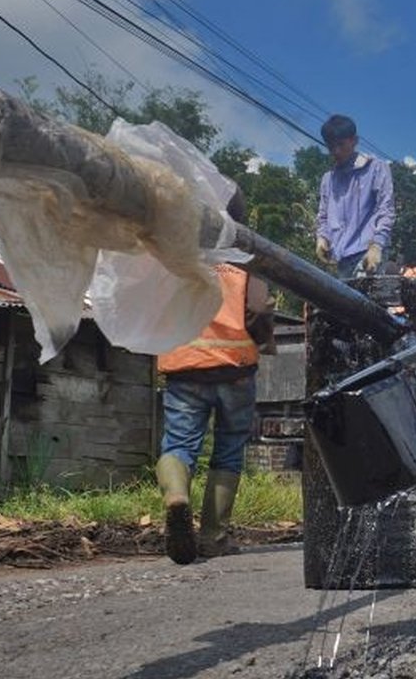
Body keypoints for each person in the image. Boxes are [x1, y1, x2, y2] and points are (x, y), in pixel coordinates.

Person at [155, 189, 275, 565]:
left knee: (179, 444)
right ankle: (212, 537)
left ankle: (177, 499)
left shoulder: (177, 251)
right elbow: (257, 307)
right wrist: (262, 337)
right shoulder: (244, 256)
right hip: (235, 367)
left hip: (185, 362)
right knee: (228, 450)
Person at [315, 114, 395, 279]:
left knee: (362, 302)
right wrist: (322, 238)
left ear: (354, 141)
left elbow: (385, 209)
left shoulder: (376, 169)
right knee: (343, 303)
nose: (336, 151)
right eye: (331, 147)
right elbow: (323, 216)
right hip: (341, 257)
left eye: (341, 145)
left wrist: (377, 245)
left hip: (368, 254)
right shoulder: (328, 180)